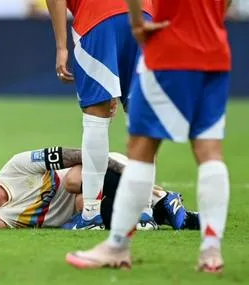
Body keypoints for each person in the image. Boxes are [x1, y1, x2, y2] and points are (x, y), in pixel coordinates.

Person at [66, 0, 232, 274]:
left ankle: (117, 245)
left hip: (168, 45)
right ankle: (211, 252)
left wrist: (137, 21)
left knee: (141, 147)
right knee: (209, 151)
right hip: (213, 49)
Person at [46, 0, 153, 230]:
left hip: (97, 17)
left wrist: (61, 47)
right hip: (145, 15)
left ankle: (91, 214)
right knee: (142, 119)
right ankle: (144, 212)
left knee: (96, 117)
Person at [0, 146, 198, 230]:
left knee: (72, 183)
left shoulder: (16, 167)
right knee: (82, 205)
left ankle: (152, 199)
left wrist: (125, 170)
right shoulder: (5, 216)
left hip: (106, 170)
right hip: (90, 206)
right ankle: (162, 206)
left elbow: (76, 154)